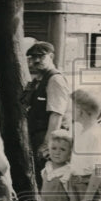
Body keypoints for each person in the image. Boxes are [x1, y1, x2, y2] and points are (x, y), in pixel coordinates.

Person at [21, 41, 70, 189]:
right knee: (41, 177)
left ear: (51, 57)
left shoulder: (55, 80)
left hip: (50, 138)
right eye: (32, 57)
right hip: (39, 135)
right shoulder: (39, 80)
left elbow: (56, 114)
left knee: (49, 179)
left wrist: (47, 144)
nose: (36, 61)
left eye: (41, 57)